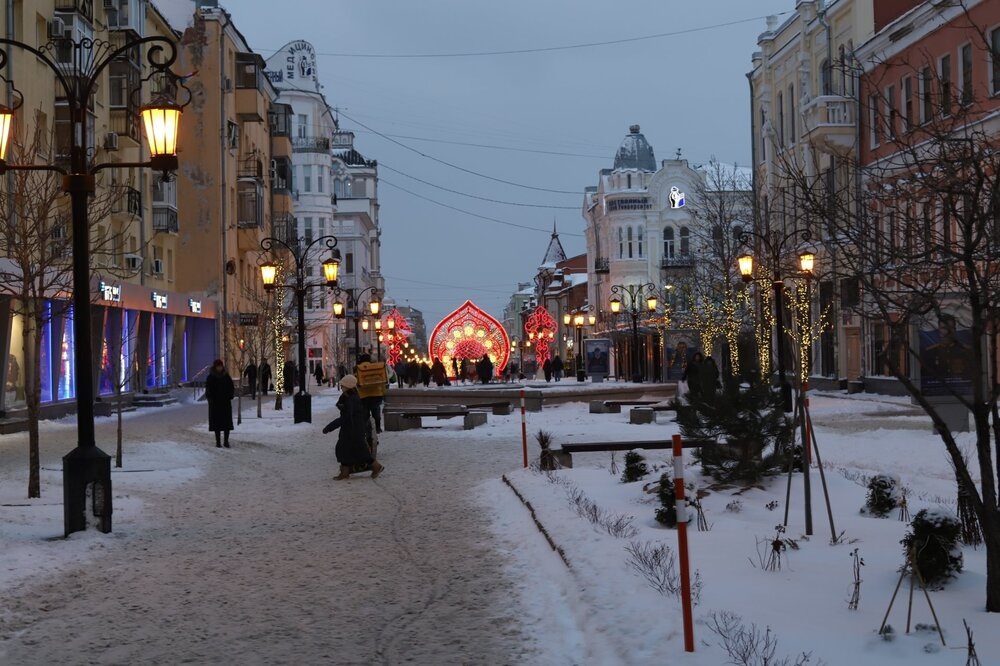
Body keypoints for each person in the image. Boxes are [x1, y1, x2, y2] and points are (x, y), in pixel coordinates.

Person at [322, 374, 383, 479]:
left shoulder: (351, 400)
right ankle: (346, 471)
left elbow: (345, 418)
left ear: (348, 386)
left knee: (351, 450)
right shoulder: (349, 397)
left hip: (353, 429)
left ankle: (375, 467)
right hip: (353, 428)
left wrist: (329, 427)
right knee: (347, 450)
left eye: (343, 385)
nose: (341, 387)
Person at [205, 359, 235, 448]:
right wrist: (210, 399)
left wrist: (230, 395)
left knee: (226, 424)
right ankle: (218, 442)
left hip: (225, 403)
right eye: (218, 366)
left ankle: (226, 441)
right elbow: (208, 390)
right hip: (215, 404)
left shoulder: (226, 376)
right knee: (216, 424)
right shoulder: (211, 377)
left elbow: (231, 387)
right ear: (215, 367)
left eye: (221, 366)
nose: (219, 368)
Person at [355, 353, 387, 434]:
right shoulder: (375, 367)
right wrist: (383, 393)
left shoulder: (358, 368)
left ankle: (365, 429)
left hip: (363, 395)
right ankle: (378, 428)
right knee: (376, 412)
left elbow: (355, 381)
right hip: (376, 394)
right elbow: (382, 381)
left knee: (365, 414)